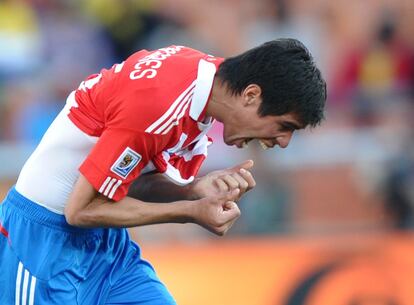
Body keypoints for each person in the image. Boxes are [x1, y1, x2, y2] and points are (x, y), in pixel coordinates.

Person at [0, 38, 326, 304]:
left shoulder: (203, 93)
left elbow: (125, 184)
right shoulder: (158, 101)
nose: (283, 141)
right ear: (251, 95)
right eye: (285, 126)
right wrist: (190, 210)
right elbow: (79, 209)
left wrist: (195, 189)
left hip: (106, 245)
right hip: (43, 244)